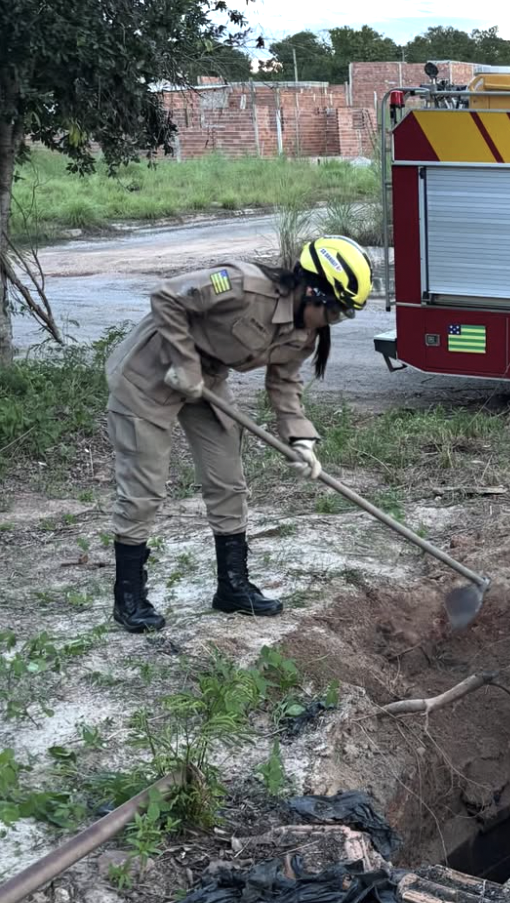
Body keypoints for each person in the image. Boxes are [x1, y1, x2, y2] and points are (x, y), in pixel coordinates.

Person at [104, 237, 373, 633]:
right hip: (150, 374)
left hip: (207, 382)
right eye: (334, 311)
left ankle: (232, 587)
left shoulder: (304, 332)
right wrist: (184, 362)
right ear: (311, 290)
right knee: (145, 486)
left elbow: (284, 382)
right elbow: (166, 296)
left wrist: (301, 439)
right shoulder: (241, 285)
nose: (334, 320)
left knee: (228, 480)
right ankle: (128, 598)